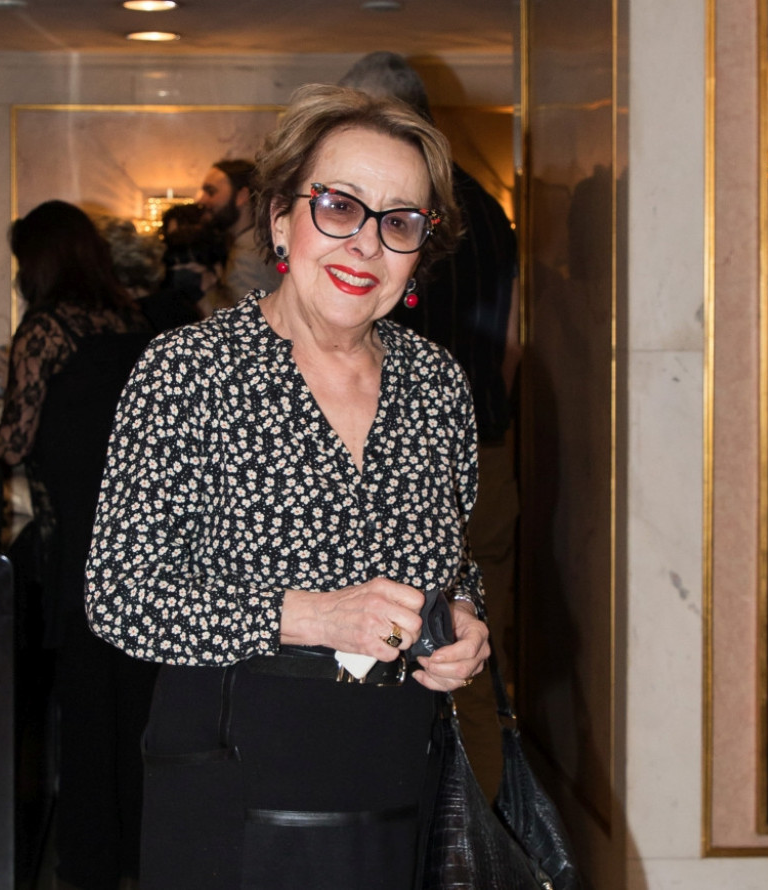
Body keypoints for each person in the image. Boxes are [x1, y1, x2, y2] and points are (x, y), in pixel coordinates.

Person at [85, 83, 491, 889]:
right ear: (280, 218)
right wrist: (311, 615)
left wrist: (465, 620)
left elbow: (453, 559)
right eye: (338, 207)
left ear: (420, 249)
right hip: (236, 778)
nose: (365, 246)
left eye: (398, 222)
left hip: (398, 775)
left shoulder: (436, 382)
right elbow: (120, 596)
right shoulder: (189, 370)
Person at [0, 200, 158, 889]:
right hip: (140, 543)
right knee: (137, 711)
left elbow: (12, 442)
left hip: (79, 547)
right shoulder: (130, 320)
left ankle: (88, 863)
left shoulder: (46, 328)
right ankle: (139, 857)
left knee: (86, 711)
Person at [338, 52, 521, 674]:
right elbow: (512, 342)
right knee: (465, 650)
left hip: (410, 447)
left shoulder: (420, 213)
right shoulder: (490, 207)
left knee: (437, 652)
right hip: (489, 443)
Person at [194, 158, 281, 308]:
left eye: (211, 192)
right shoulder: (257, 243)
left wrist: (209, 290)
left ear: (242, 196)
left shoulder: (248, 254)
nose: (202, 200)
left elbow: (245, 318)